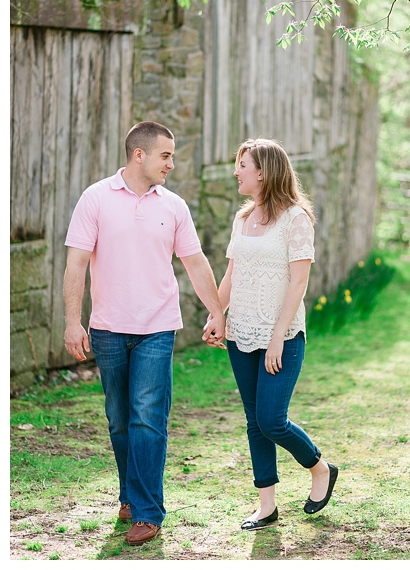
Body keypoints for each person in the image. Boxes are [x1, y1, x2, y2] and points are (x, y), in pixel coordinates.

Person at [64, 121, 226, 547]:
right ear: (140, 155)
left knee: (148, 419)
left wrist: (217, 312)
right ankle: (130, 495)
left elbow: (195, 263)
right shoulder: (95, 198)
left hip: (157, 327)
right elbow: (77, 264)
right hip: (108, 329)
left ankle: (148, 512)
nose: (171, 164)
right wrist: (71, 321)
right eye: (166, 155)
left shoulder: (173, 206)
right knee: (120, 420)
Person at [201, 138, 337, 531]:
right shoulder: (241, 219)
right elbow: (231, 274)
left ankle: (320, 468)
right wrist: (217, 315)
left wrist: (278, 337)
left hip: (283, 336)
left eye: (242, 164)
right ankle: (266, 504)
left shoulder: (296, 218)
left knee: (271, 420)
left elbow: (298, 283)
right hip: (241, 333)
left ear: (263, 171)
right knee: (252, 420)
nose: (235, 170)